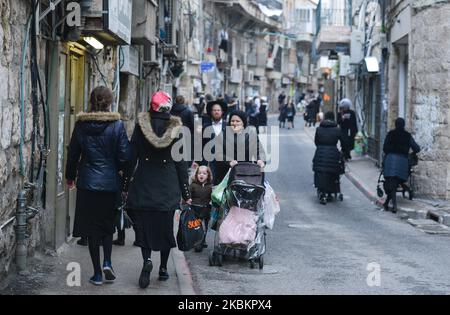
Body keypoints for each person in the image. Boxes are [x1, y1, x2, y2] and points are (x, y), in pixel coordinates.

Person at [124, 91, 192, 289]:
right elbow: (181, 163)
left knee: (144, 228)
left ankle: (147, 261)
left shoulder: (141, 126)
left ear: (151, 106)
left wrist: (126, 184)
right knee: (165, 228)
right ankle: (163, 268)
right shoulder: (177, 129)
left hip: (144, 183)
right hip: (168, 186)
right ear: (169, 107)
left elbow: (131, 158)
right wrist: (186, 193)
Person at [66, 86, 131, 286]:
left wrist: (70, 177)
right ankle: (108, 262)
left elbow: (73, 154)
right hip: (110, 184)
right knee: (107, 226)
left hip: (88, 183)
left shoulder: (81, 124)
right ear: (110, 102)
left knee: (92, 229)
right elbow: (124, 156)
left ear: (91, 100)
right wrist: (122, 174)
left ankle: (96, 274)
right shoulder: (117, 125)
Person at [382, 118, 421, 213]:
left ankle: (390, 203)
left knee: (391, 182)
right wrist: (410, 154)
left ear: (395, 124)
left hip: (390, 161)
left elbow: (384, 148)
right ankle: (390, 203)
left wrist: (390, 153)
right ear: (403, 125)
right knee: (396, 181)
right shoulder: (407, 136)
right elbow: (417, 148)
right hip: (402, 163)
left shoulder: (390, 134)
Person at [313, 112, 345, 205]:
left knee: (320, 172)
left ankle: (322, 192)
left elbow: (316, 141)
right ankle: (330, 192)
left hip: (320, 153)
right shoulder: (337, 129)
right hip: (333, 153)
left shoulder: (319, 129)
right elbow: (343, 141)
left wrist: (321, 147)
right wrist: (344, 152)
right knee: (332, 171)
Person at [200, 100, 229, 185]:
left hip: (225, 161)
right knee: (210, 184)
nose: (216, 112)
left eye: (218, 110)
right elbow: (202, 144)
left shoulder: (228, 126)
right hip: (210, 161)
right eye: (214, 110)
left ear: (222, 112)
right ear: (211, 112)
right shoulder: (206, 126)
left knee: (224, 184)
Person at [190, 166, 213, 250]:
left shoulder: (210, 186)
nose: (201, 175)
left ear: (208, 175)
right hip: (195, 209)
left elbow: (212, 197)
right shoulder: (193, 185)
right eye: (199, 173)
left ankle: (202, 240)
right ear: (196, 175)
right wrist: (186, 203)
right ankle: (197, 242)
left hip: (206, 209)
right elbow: (188, 197)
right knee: (196, 226)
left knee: (205, 226)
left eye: (204, 173)